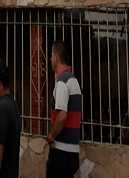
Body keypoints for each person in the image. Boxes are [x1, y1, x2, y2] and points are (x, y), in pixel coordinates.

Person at [46, 41, 81, 178]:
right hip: (72, 152)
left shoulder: (62, 82)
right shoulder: (73, 80)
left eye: (51, 56)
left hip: (61, 151)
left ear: (56, 57)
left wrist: (51, 136)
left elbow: (62, 116)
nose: (50, 60)